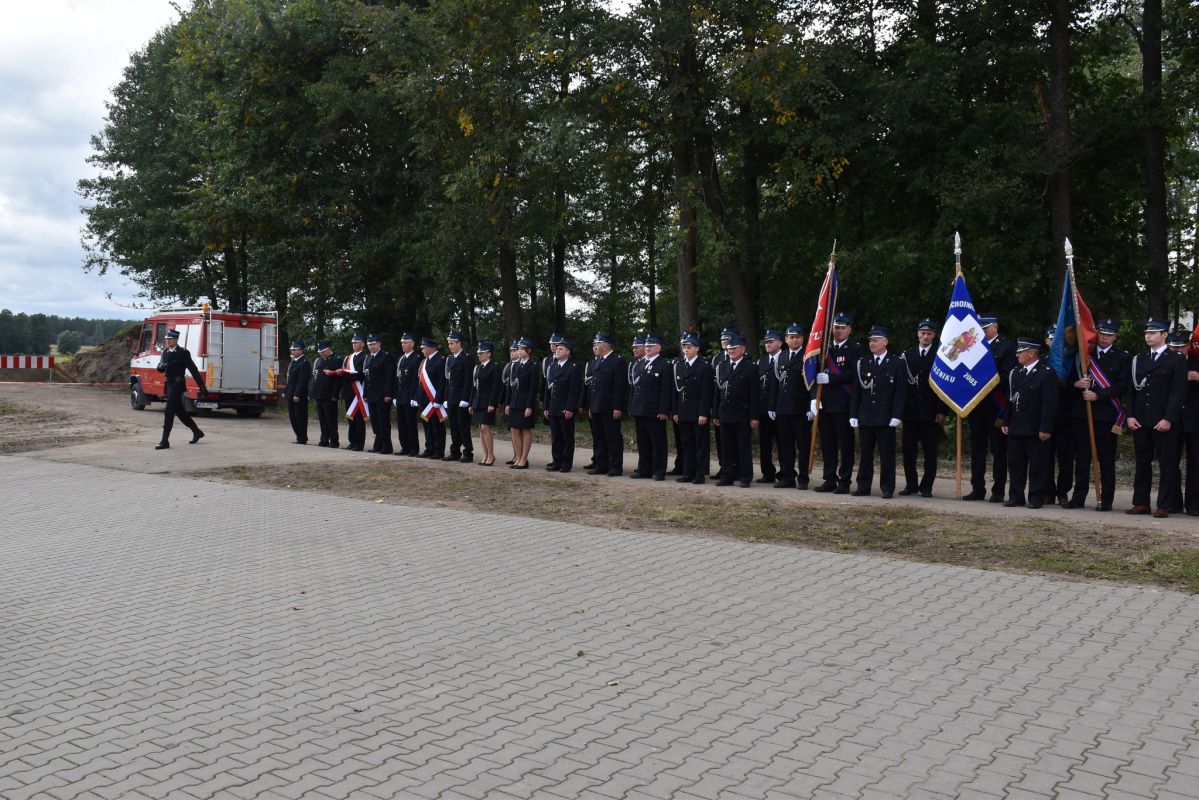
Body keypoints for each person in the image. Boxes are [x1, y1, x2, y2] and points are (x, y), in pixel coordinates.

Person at [1067, 318, 1129, 511]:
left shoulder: (1122, 357)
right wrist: (1076, 384)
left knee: (1106, 460)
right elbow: (1068, 379)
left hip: (1105, 415)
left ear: (1115, 337)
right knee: (1082, 459)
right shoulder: (1084, 354)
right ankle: (1078, 498)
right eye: (1102, 333)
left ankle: (1106, 500)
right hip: (1082, 414)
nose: (1104, 337)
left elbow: (1122, 385)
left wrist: (1099, 395)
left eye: (1109, 335)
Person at [1126, 319, 1187, 517]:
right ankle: (1141, 502)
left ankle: (1165, 505)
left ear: (1164, 335)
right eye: (1147, 333)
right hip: (1141, 419)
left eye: (1153, 333)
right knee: (1142, 463)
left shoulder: (1176, 359)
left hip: (1163, 420)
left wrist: (1168, 418)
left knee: (1167, 464)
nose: (1148, 336)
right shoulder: (1139, 359)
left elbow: (1178, 392)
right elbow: (1132, 392)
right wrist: (1130, 415)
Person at [849, 326, 906, 498]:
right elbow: (856, 391)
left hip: (885, 416)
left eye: (875, 340)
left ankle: (887, 487)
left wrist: (897, 415)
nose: (871, 343)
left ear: (885, 342)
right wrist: (853, 414)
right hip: (866, 415)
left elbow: (900, 392)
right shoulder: (863, 363)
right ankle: (863, 486)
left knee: (887, 455)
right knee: (865, 454)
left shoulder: (897, 363)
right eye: (870, 341)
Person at [964, 314, 1017, 502]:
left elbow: (1008, 375)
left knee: (998, 450)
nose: (983, 331)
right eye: (981, 328)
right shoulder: (972, 346)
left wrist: (984, 381)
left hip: (996, 405)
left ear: (995, 327)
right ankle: (977, 488)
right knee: (977, 449)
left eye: (986, 328)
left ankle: (998, 490)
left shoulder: (1007, 346)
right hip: (976, 404)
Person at [1002, 337, 1058, 509]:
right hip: (1016, 425)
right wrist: (1006, 421)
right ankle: (1016, 496)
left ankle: (1036, 497)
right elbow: (1010, 399)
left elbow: (1049, 404)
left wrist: (1045, 428)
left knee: (1037, 465)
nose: (1017, 355)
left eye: (1021, 352)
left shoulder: (1046, 373)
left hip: (1035, 427)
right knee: (1015, 463)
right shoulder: (1015, 372)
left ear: (1032, 353)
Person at [813, 313, 862, 494]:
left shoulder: (855, 349)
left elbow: (854, 373)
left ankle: (844, 481)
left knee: (846, 445)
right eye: (836, 327)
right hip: (825, 403)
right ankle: (829, 479)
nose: (839, 330)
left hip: (843, 403)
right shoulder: (824, 348)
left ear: (849, 329)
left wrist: (831, 379)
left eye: (843, 327)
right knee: (828, 444)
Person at [899, 320, 946, 497]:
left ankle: (927, 487)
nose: (925, 336)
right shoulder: (907, 354)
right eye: (923, 333)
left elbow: (944, 385)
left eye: (929, 333)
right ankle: (911, 484)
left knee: (930, 452)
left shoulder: (941, 354)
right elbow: (902, 385)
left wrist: (942, 410)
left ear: (934, 335)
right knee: (909, 451)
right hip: (910, 411)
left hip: (931, 411)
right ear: (918, 333)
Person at [715, 334, 760, 487]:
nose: (731, 351)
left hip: (742, 413)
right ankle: (727, 476)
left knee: (743, 447)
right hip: (725, 413)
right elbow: (717, 393)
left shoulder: (751, 368)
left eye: (734, 348)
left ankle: (745, 476)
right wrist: (715, 413)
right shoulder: (721, 367)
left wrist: (754, 417)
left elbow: (754, 395)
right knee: (726, 447)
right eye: (729, 349)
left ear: (742, 349)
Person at [772, 322, 813, 490]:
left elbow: (812, 382)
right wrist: (772, 406)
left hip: (801, 408)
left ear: (802, 339)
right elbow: (776, 383)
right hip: (783, 408)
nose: (794, 340)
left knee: (803, 445)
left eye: (797, 337)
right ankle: (787, 476)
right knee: (785, 445)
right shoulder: (781, 357)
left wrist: (812, 405)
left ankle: (803, 477)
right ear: (786, 339)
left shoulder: (808, 356)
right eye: (791, 337)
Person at [672, 333, 714, 484]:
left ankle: (700, 474)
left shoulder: (704, 366)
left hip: (697, 412)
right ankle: (687, 472)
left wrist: (703, 413)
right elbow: (675, 392)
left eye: (689, 347)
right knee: (686, 443)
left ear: (697, 348)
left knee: (700, 444)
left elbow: (706, 392)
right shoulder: (679, 366)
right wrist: (675, 411)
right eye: (684, 347)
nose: (686, 350)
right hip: (683, 411)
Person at [584, 332, 627, 476]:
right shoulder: (598, 361)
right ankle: (601, 465)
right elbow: (593, 387)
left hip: (609, 407)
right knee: (599, 438)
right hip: (596, 405)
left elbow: (619, 387)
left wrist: (617, 407)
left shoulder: (617, 361)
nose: (595, 347)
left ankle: (615, 467)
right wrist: (591, 406)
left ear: (605, 346)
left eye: (597, 344)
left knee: (612, 438)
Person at [154, 329, 206, 449]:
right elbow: (160, 368)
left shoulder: (183, 353)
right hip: (169, 384)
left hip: (177, 384)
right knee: (180, 412)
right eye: (167, 339)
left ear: (176, 339)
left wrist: (202, 386)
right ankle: (197, 431)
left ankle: (164, 441)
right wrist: (161, 366)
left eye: (170, 339)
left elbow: (193, 369)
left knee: (169, 411)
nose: (168, 341)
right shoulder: (165, 352)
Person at [629, 334, 672, 480]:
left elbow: (666, 390)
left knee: (658, 442)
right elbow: (635, 388)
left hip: (654, 410)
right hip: (640, 408)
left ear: (658, 348)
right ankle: (644, 469)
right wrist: (632, 407)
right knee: (643, 442)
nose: (647, 348)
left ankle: (659, 470)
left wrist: (664, 410)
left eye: (650, 346)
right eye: (646, 346)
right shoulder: (639, 364)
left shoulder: (664, 365)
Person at [1044, 325, 1075, 505]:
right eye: (1051, 339)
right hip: (1046, 417)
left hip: (1066, 416)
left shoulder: (1071, 360)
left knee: (1066, 458)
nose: (1055, 343)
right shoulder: (1042, 361)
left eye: (1058, 340)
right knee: (1045, 457)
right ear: (1046, 341)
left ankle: (1063, 492)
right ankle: (1047, 491)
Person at [543, 338, 583, 472]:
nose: (557, 351)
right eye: (557, 348)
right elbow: (548, 388)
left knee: (567, 437)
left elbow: (574, 390)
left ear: (568, 352)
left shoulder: (573, 367)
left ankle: (566, 463)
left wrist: (570, 408)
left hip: (565, 408)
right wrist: (546, 406)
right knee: (556, 437)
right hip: (553, 407)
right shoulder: (553, 367)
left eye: (561, 349)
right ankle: (557, 461)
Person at [505, 338, 538, 469]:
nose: (518, 351)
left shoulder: (533, 366)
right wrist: (508, 403)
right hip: (514, 402)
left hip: (525, 403)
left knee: (525, 429)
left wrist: (529, 406)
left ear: (528, 350)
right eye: (518, 349)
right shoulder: (515, 365)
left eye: (521, 349)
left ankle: (524, 459)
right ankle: (518, 458)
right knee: (514, 429)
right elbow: (510, 386)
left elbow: (533, 388)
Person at [469, 341, 503, 466]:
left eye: (481, 353)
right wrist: (471, 403)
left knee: (485, 428)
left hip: (488, 401)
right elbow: (474, 386)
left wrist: (492, 403)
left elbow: (496, 387)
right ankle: (486, 454)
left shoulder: (494, 367)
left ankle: (491, 455)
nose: (479, 355)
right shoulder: (478, 367)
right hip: (478, 401)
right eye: (478, 353)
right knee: (481, 429)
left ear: (489, 354)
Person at [755, 330, 782, 483]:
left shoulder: (784, 358)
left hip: (780, 408)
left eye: (771, 341)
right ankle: (768, 473)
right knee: (765, 443)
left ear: (780, 343)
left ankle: (785, 473)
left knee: (783, 443)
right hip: (764, 408)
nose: (768, 344)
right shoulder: (762, 361)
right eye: (766, 342)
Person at [362, 334, 395, 454]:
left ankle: (386, 446)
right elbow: (367, 378)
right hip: (371, 395)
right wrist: (365, 394)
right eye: (370, 344)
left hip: (382, 395)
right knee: (375, 422)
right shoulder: (368, 358)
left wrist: (388, 394)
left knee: (383, 421)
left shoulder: (385, 357)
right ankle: (378, 444)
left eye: (374, 344)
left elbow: (389, 377)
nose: (372, 346)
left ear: (379, 344)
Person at [444, 331, 473, 463]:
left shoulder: (466, 358)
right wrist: (446, 398)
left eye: (452, 343)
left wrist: (465, 399)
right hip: (451, 397)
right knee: (453, 426)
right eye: (449, 343)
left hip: (461, 398)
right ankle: (455, 451)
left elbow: (468, 380)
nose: (450, 346)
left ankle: (467, 452)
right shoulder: (449, 359)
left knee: (463, 426)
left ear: (459, 343)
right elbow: (447, 380)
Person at [417, 337, 446, 459]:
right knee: (427, 426)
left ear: (431, 348)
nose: (422, 350)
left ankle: (439, 451)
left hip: (434, 400)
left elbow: (441, 382)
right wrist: (417, 397)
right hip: (424, 399)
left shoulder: (441, 360)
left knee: (437, 426)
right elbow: (420, 382)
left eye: (423, 348)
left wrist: (438, 400)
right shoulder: (424, 361)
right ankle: (429, 448)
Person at [338, 333, 368, 451]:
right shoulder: (348, 358)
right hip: (348, 392)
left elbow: (360, 374)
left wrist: (345, 374)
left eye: (356, 342)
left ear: (363, 344)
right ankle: (352, 441)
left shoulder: (365, 358)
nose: (354, 344)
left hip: (358, 392)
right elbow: (345, 372)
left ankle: (359, 443)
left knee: (359, 419)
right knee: (350, 418)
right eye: (353, 343)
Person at [393, 333, 422, 456]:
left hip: (410, 396)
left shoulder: (416, 358)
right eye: (402, 343)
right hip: (400, 395)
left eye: (405, 343)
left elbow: (416, 380)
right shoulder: (401, 359)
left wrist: (414, 397)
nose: (403, 345)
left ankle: (413, 448)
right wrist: (395, 395)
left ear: (412, 344)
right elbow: (397, 378)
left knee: (411, 424)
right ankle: (404, 447)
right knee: (402, 424)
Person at [311, 342, 341, 448]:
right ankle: (324, 440)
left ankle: (334, 441)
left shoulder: (336, 360)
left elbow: (338, 380)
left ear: (329, 349)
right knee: (322, 419)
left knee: (331, 419)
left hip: (329, 395)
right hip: (319, 394)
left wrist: (335, 394)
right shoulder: (319, 361)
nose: (321, 354)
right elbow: (315, 377)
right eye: (320, 352)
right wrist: (313, 392)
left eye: (323, 351)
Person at [283, 341, 310, 445]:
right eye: (292, 350)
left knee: (300, 417)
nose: (292, 351)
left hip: (299, 395)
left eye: (294, 350)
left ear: (300, 350)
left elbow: (302, 381)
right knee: (293, 417)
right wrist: (286, 392)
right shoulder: (293, 362)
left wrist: (297, 394)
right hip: (291, 393)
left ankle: (302, 437)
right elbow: (290, 380)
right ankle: (299, 436)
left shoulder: (304, 363)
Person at [502, 342, 522, 466]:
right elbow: (506, 386)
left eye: (514, 350)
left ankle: (520, 456)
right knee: (512, 430)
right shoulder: (509, 366)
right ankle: (515, 455)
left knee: (519, 430)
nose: (512, 353)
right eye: (511, 351)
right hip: (511, 400)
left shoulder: (520, 365)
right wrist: (506, 402)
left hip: (519, 401)